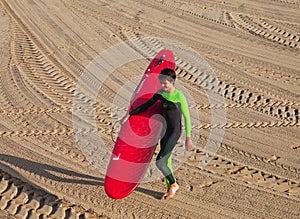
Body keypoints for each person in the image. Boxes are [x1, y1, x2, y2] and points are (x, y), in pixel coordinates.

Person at [122, 68, 193, 199]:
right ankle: (169, 189)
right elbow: (147, 105)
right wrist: (130, 114)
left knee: (160, 162)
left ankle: (174, 184)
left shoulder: (179, 97)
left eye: (165, 83)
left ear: (172, 82)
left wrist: (188, 137)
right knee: (167, 161)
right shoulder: (160, 94)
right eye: (161, 83)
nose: (162, 86)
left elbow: (187, 118)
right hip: (164, 131)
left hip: (174, 132)